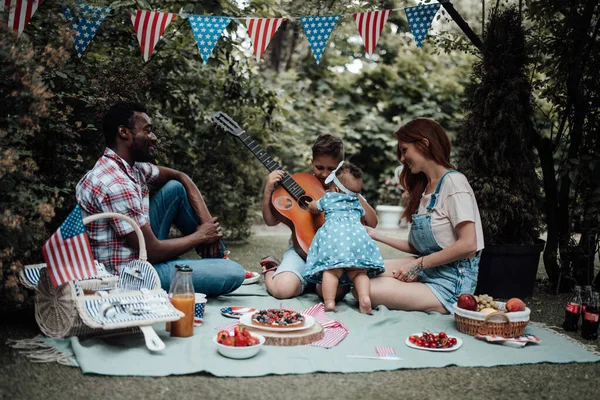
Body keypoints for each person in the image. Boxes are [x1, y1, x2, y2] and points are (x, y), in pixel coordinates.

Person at [76, 102, 246, 296]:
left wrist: (208, 226)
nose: (154, 138)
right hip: (132, 276)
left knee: (176, 188)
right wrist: (201, 236)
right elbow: (152, 250)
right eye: (147, 131)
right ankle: (218, 264)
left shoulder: (129, 167)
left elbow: (178, 177)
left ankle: (216, 258)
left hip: (141, 253)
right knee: (234, 272)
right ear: (124, 132)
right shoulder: (115, 183)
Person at [364, 118, 484, 314]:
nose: (401, 158)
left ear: (424, 144)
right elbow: (418, 247)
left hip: (451, 282)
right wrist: (375, 234)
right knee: (362, 273)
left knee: (367, 289)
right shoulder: (426, 188)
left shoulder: (454, 183)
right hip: (427, 269)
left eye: (404, 150)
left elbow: (469, 245)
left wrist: (418, 264)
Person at [262, 134, 378, 300]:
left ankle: (311, 283)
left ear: (341, 166)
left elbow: (372, 223)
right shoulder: (301, 183)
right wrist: (268, 191)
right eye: (319, 167)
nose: (324, 174)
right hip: (301, 253)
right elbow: (270, 221)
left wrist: (352, 193)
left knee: (332, 294)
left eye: (331, 169)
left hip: (334, 258)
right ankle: (271, 268)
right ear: (311, 163)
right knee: (283, 290)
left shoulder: (348, 193)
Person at [303, 162, 385, 314]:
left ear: (337, 189)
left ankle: (329, 302)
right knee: (359, 273)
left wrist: (311, 205)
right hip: (358, 238)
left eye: (331, 186)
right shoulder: (357, 202)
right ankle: (365, 299)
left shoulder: (328, 198)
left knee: (332, 271)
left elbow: (315, 208)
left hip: (335, 239)